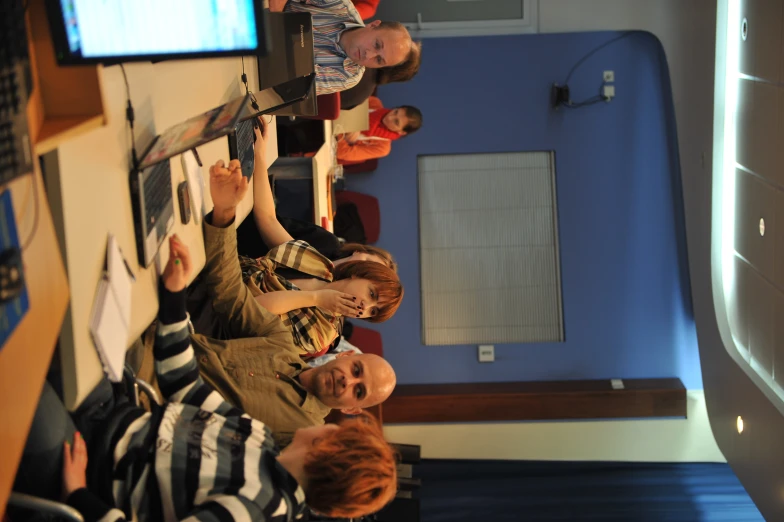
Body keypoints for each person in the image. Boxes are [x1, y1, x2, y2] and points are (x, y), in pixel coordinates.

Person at [13, 236, 398, 522]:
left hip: (89, 470)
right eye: (356, 370)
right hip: (112, 411)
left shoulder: (254, 508)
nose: (333, 428)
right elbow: (185, 385)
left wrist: (79, 495)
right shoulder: (260, 441)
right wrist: (174, 299)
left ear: (325, 449)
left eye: (339, 434)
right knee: (41, 313)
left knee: (15, 374)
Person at [137, 157, 398, 446]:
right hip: (163, 332)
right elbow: (234, 297)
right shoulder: (283, 345)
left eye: (357, 391)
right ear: (346, 357)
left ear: (351, 409)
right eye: (356, 371)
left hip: (146, 397)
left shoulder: (297, 433)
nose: (347, 381)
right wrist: (225, 212)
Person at [190, 119, 403, 356]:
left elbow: (250, 308)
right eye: (372, 294)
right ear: (359, 274)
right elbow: (268, 219)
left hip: (209, 316)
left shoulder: (322, 334)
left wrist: (316, 298)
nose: (365, 308)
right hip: (213, 268)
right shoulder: (321, 267)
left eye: (373, 312)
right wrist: (260, 156)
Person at [269, 0, 421, 96]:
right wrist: (273, 20)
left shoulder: (349, 76)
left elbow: (289, 84)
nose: (369, 55)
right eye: (377, 44)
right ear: (373, 25)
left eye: (379, 60)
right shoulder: (340, 6)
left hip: (260, 66)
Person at [337, 96, 422, 164]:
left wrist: (343, 133)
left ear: (401, 132)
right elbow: (344, 99)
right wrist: (352, 125)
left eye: (396, 122)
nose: (389, 117)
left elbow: (342, 152)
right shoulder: (374, 103)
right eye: (395, 112)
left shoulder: (382, 148)